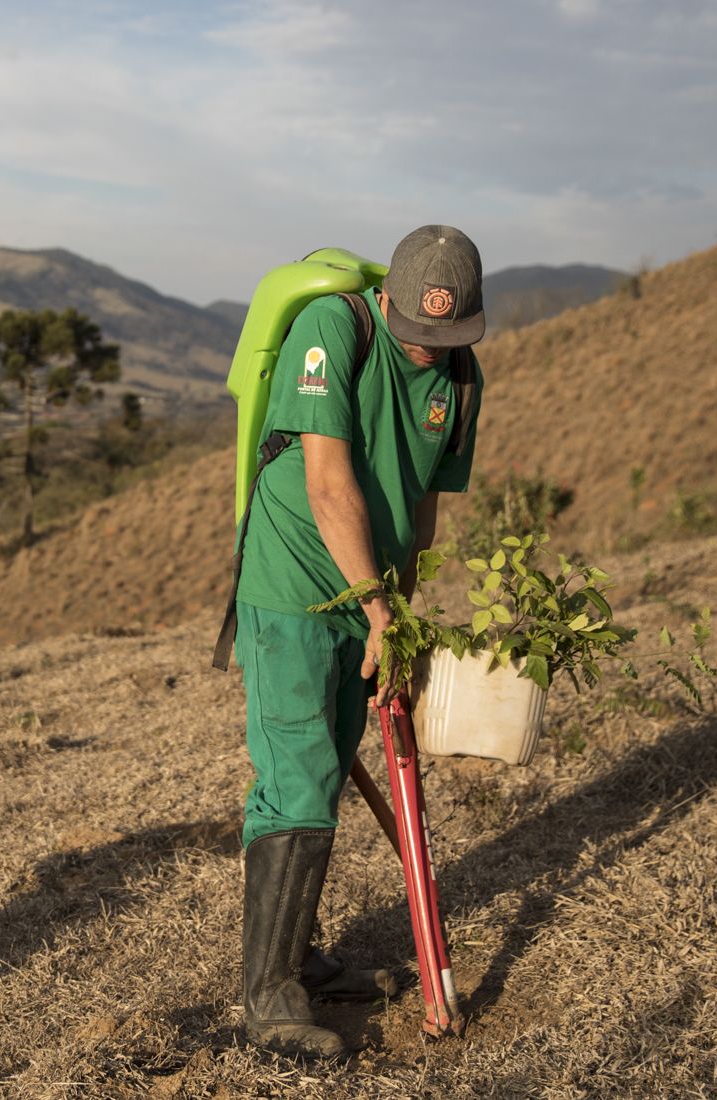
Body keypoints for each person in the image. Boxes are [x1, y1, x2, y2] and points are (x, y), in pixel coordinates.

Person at [228, 225, 486, 1059]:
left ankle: (297, 956)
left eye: (444, 338)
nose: (426, 350)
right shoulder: (335, 330)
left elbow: (422, 505)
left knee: (330, 766)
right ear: (388, 303)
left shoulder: (460, 377)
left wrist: (397, 620)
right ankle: (267, 999)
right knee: (298, 776)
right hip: (295, 583)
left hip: (368, 592)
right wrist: (378, 606)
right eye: (416, 332)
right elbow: (328, 478)